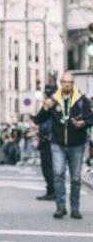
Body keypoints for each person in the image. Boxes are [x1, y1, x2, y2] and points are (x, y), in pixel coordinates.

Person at [33, 71, 91, 219]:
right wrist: (45, 108)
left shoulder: (82, 100)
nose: (67, 84)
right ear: (60, 83)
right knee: (58, 175)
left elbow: (91, 119)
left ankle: (75, 208)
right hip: (57, 144)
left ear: (73, 84)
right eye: (65, 82)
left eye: (70, 82)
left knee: (76, 178)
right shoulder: (53, 101)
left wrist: (83, 123)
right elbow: (38, 120)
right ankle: (60, 206)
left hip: (77, 144)